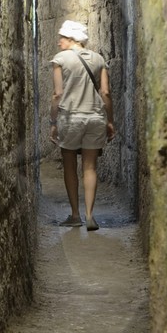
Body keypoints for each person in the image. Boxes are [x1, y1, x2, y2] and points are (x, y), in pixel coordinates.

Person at [49, 18, 115, 230]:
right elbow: (105, 92)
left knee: (69, 165)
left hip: (70, 118)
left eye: (62, 38)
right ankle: (89, 215)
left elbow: (58, 94)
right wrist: (110, 121)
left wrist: (53, 122)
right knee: (90, 167)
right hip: (95, 117)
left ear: (71, 39)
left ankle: (75, 214)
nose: (59, 42)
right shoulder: (98, 59)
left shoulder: (60, 59)